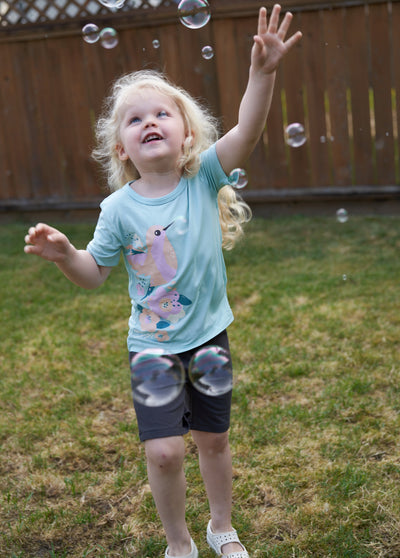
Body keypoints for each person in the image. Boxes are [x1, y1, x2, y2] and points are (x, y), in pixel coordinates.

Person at [24, 5, 302, 557]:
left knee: (213, 440)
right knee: (165, 453)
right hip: (151, 348)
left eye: (161, 113)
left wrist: (263, 73)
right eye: (134, 119)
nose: (149, 121)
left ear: (187, 133)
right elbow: (94, 275)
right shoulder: (117, 209)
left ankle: (222, 528)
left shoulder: (204, 178)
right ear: (122, 149)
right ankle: (178, 542)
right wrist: (65, 256)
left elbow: (248, 128)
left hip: (208, 339)